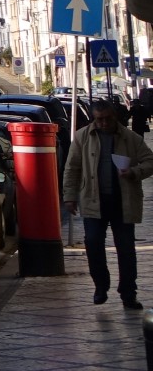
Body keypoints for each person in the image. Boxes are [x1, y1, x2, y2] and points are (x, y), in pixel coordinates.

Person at [63, 95, 153, 309]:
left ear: (114, 117)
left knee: (126, 249)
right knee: (93, 244)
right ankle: (101, 286)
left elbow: (150, 161)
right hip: (93, 200)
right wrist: (70, 196)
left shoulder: (130, 138)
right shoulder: (83, 137)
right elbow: (72, 167)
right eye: (99, 119)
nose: (103, 123)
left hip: (123, 201)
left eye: (107, 119)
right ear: (94, 119)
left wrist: (134, 172)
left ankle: (128, 293)